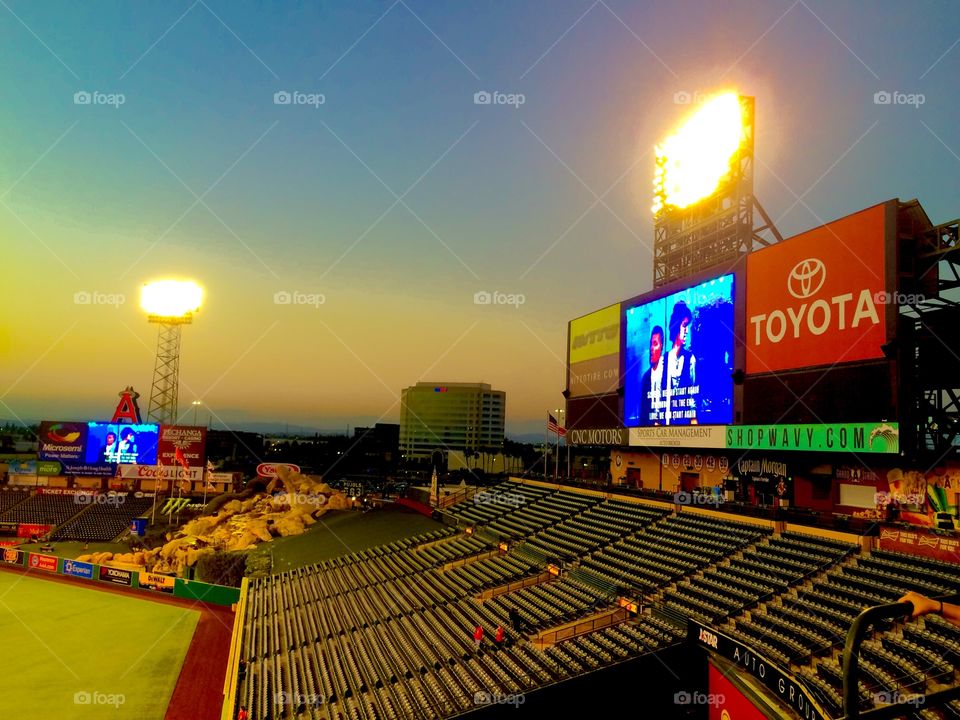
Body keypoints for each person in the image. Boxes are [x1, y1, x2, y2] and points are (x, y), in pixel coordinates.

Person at [665, 301, 697, 425]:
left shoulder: (690, 359)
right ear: (676, 325)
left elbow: (692, 397)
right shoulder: (664, 360)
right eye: (684, 325)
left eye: (687, 326)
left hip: (685, 425)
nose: (687, 331)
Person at [638, 325, 666, 425]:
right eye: (651, 344)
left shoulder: (667, 373)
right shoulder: (646, 378)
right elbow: (643, 413)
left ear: (661, 346)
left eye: (655, 344)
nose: (651, 348)